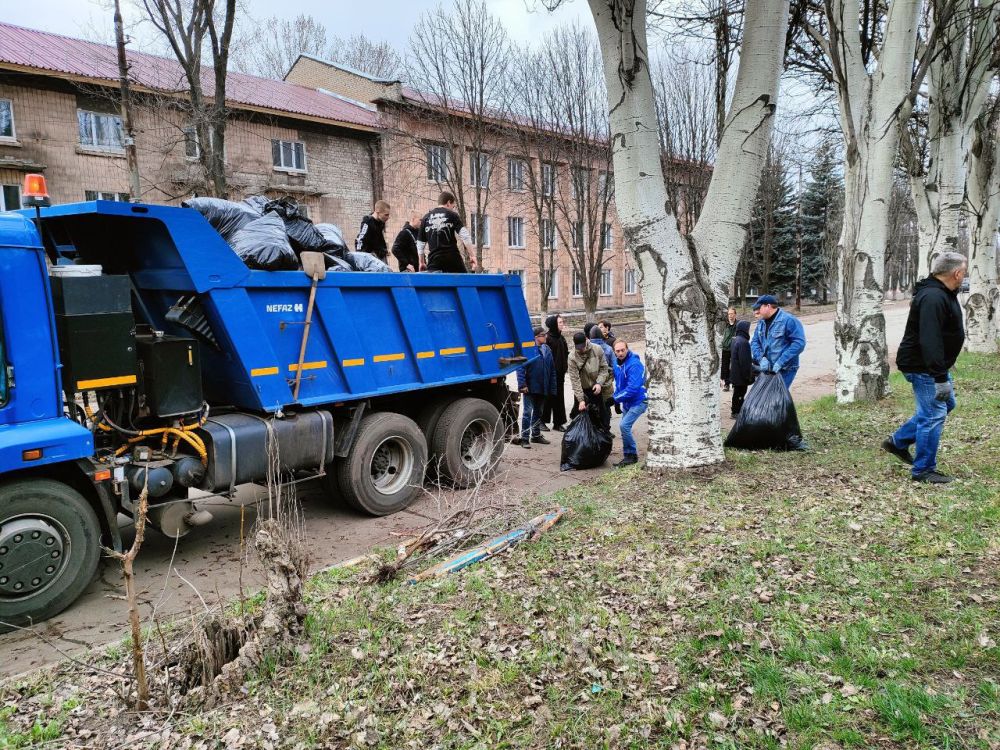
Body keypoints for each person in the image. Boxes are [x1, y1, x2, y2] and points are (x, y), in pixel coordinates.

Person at [883, 252, 967, 484]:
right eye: (964, 272)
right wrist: (939, 376)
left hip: (931, 365)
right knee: (933, 414)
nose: (964, 277)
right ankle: (923, 470)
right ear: (957, 273)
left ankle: (897, 441)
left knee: (946, 404)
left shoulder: (942, 293)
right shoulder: (933, 297)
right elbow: (930, 339)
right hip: (924, 366)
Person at [750, 294, 806, 388]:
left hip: (785, 369)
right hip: (766, 368)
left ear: (768, 306)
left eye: (759, 308)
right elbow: (755, 342)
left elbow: (799, 344)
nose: (757, 311)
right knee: (765, 397)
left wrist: (781, 362)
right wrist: (761, 358)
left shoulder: (789, 320)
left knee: (776, 398)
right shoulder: (761, 323)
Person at [515, 327, 557, 448]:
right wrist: (522, 385)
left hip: (543, 387)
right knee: (528, 412)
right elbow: (520, 368)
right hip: (530, 387)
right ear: (536, 337)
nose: (546, 337)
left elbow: (552, 370)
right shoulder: (528, 349)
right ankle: (524, 438)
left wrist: (552, 387)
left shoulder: (547, 349)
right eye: (543, 335)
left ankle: (536, 435)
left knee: (539, 412)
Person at [416, 192, 478, 273]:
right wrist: (472, 255)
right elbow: (465, 236)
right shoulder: (452, 215)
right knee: (463, 283)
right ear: (448, 203)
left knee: (434, 284)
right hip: (452, 259)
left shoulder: (426, 218)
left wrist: (421, 262)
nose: (453, 208)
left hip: (434, 260)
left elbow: (420, 243)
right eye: (453, 206)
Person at [612, 339, 646, 467]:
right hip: (627, 401)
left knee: (624, 426)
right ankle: (628, 455)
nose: (620, 353)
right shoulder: (617, 364)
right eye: (617, 351)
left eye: (622, 350)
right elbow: (620, 385)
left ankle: (632, 455)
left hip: (639, 400)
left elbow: (633, 388)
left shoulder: (634, 364)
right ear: (614, 352)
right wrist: (617, 398)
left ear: (627, 349)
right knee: (624, 428)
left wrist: (615, 399)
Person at [568, 331, 612, 432]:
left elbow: (604, 368)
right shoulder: (572, 357)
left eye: (583, 346)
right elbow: (575, 380)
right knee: (582, 419)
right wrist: (581, 399)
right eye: (579, 347)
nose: (581, 349)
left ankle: (604, 433)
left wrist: (599, 383)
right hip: (582, 390)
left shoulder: (597, 349)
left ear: (587, 340)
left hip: (596, 388)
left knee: (601, 416)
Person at [542, 314, 569, 432]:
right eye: (560, 322)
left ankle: (558, 423)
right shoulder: (548, 338)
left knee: (559, 398)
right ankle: (541, 421)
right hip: (549, 374)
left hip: (560, 374)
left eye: (562, 322)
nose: (562, 324)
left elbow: (565, 353)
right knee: (547, 398)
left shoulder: (561, 338)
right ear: (554, 324)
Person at [728, 319, 754, 417]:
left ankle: (736, 410)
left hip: (735, 373)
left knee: (737, 393)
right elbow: (744, 361)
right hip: (741, 375)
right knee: (740, 393)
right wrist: (748, 375)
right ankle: (736, 412)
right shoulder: (744, 342)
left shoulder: (735, 340)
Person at [720, 307, 738, 392]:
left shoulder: (738, 325)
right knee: (725, 367)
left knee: (735, 366)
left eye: (732, 314)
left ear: (735, 314)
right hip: (725, 349)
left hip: (734, 349)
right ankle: (726, 384)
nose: (730, 316)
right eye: (729, 314)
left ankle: (735, 383)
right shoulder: (724, 325)